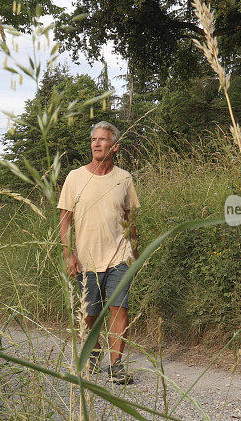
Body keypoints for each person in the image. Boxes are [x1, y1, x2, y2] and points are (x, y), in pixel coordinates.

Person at [57, 121, 140, 385]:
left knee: (119, 309)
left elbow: (130, 219)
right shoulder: (75, 177)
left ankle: (116, 365)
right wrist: (69, 254)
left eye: (103, 139)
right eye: (93, 139)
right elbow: (65, 221)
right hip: (86, 259)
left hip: (119, 256)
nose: (96, 143)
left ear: (114, 146)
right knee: (90, 313)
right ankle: (94, 352)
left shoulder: (124, 178)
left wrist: (135, 252)